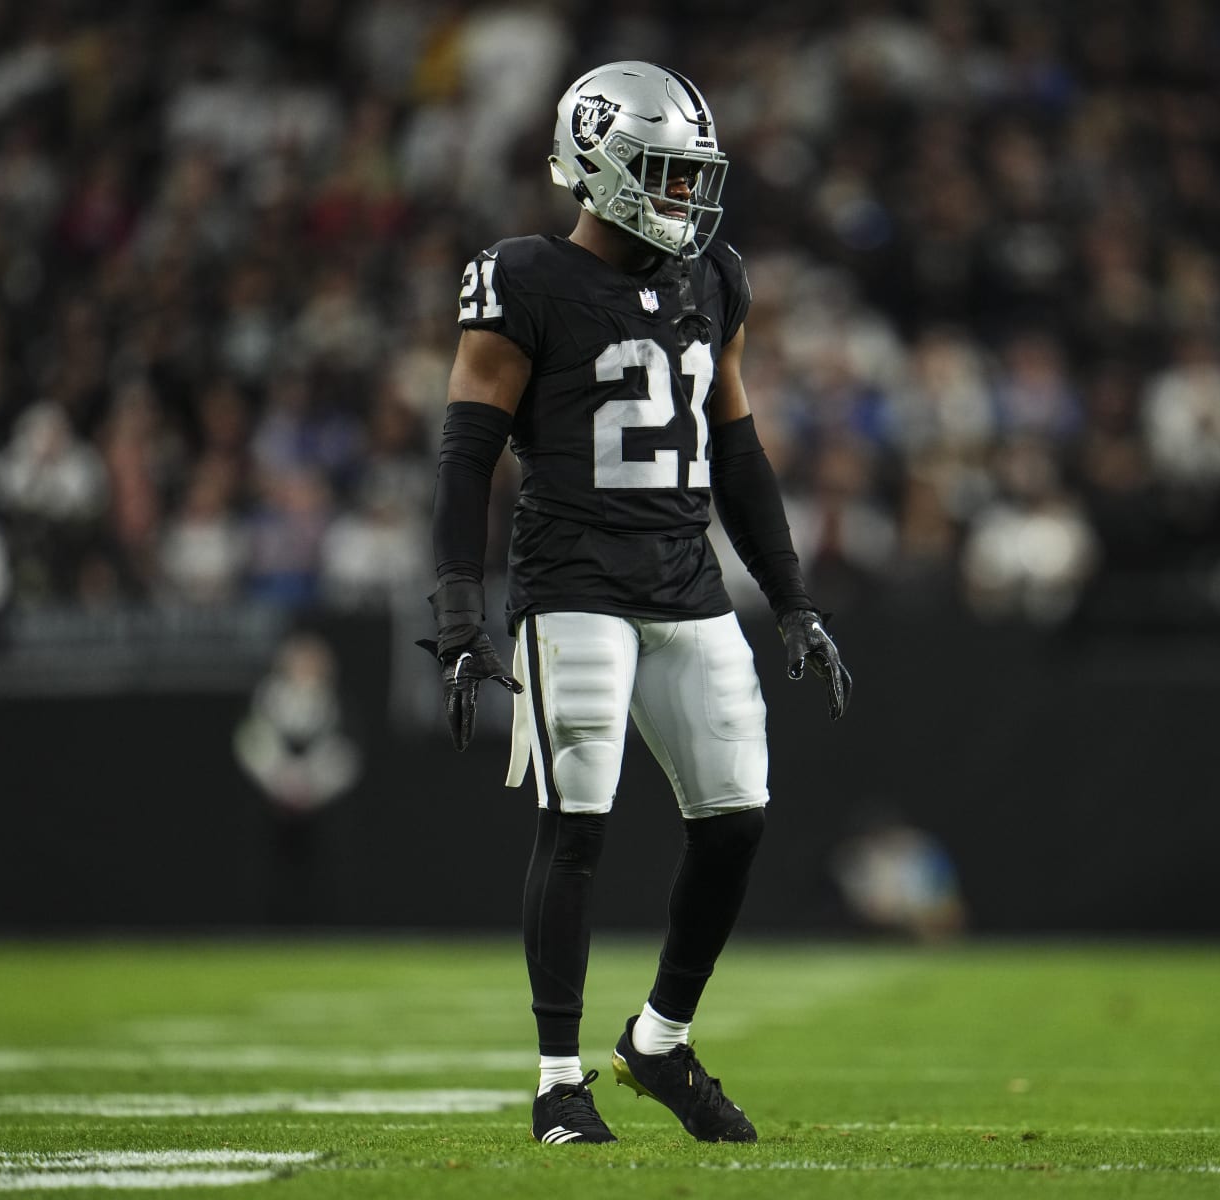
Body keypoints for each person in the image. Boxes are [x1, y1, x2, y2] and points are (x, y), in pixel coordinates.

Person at [419, 62, 852, 1146]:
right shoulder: (523, 276)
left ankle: (658, 1040)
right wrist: (462, 611)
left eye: (691, 174)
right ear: (597, 163)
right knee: (578, 826)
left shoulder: (717, 279)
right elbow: (467, 457)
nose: (684, 197)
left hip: (687, 579)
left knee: (738, 812)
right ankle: (557, 1079)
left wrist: (792, 599)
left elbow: (739, 450)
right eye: (661, 172)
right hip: (574, 583)